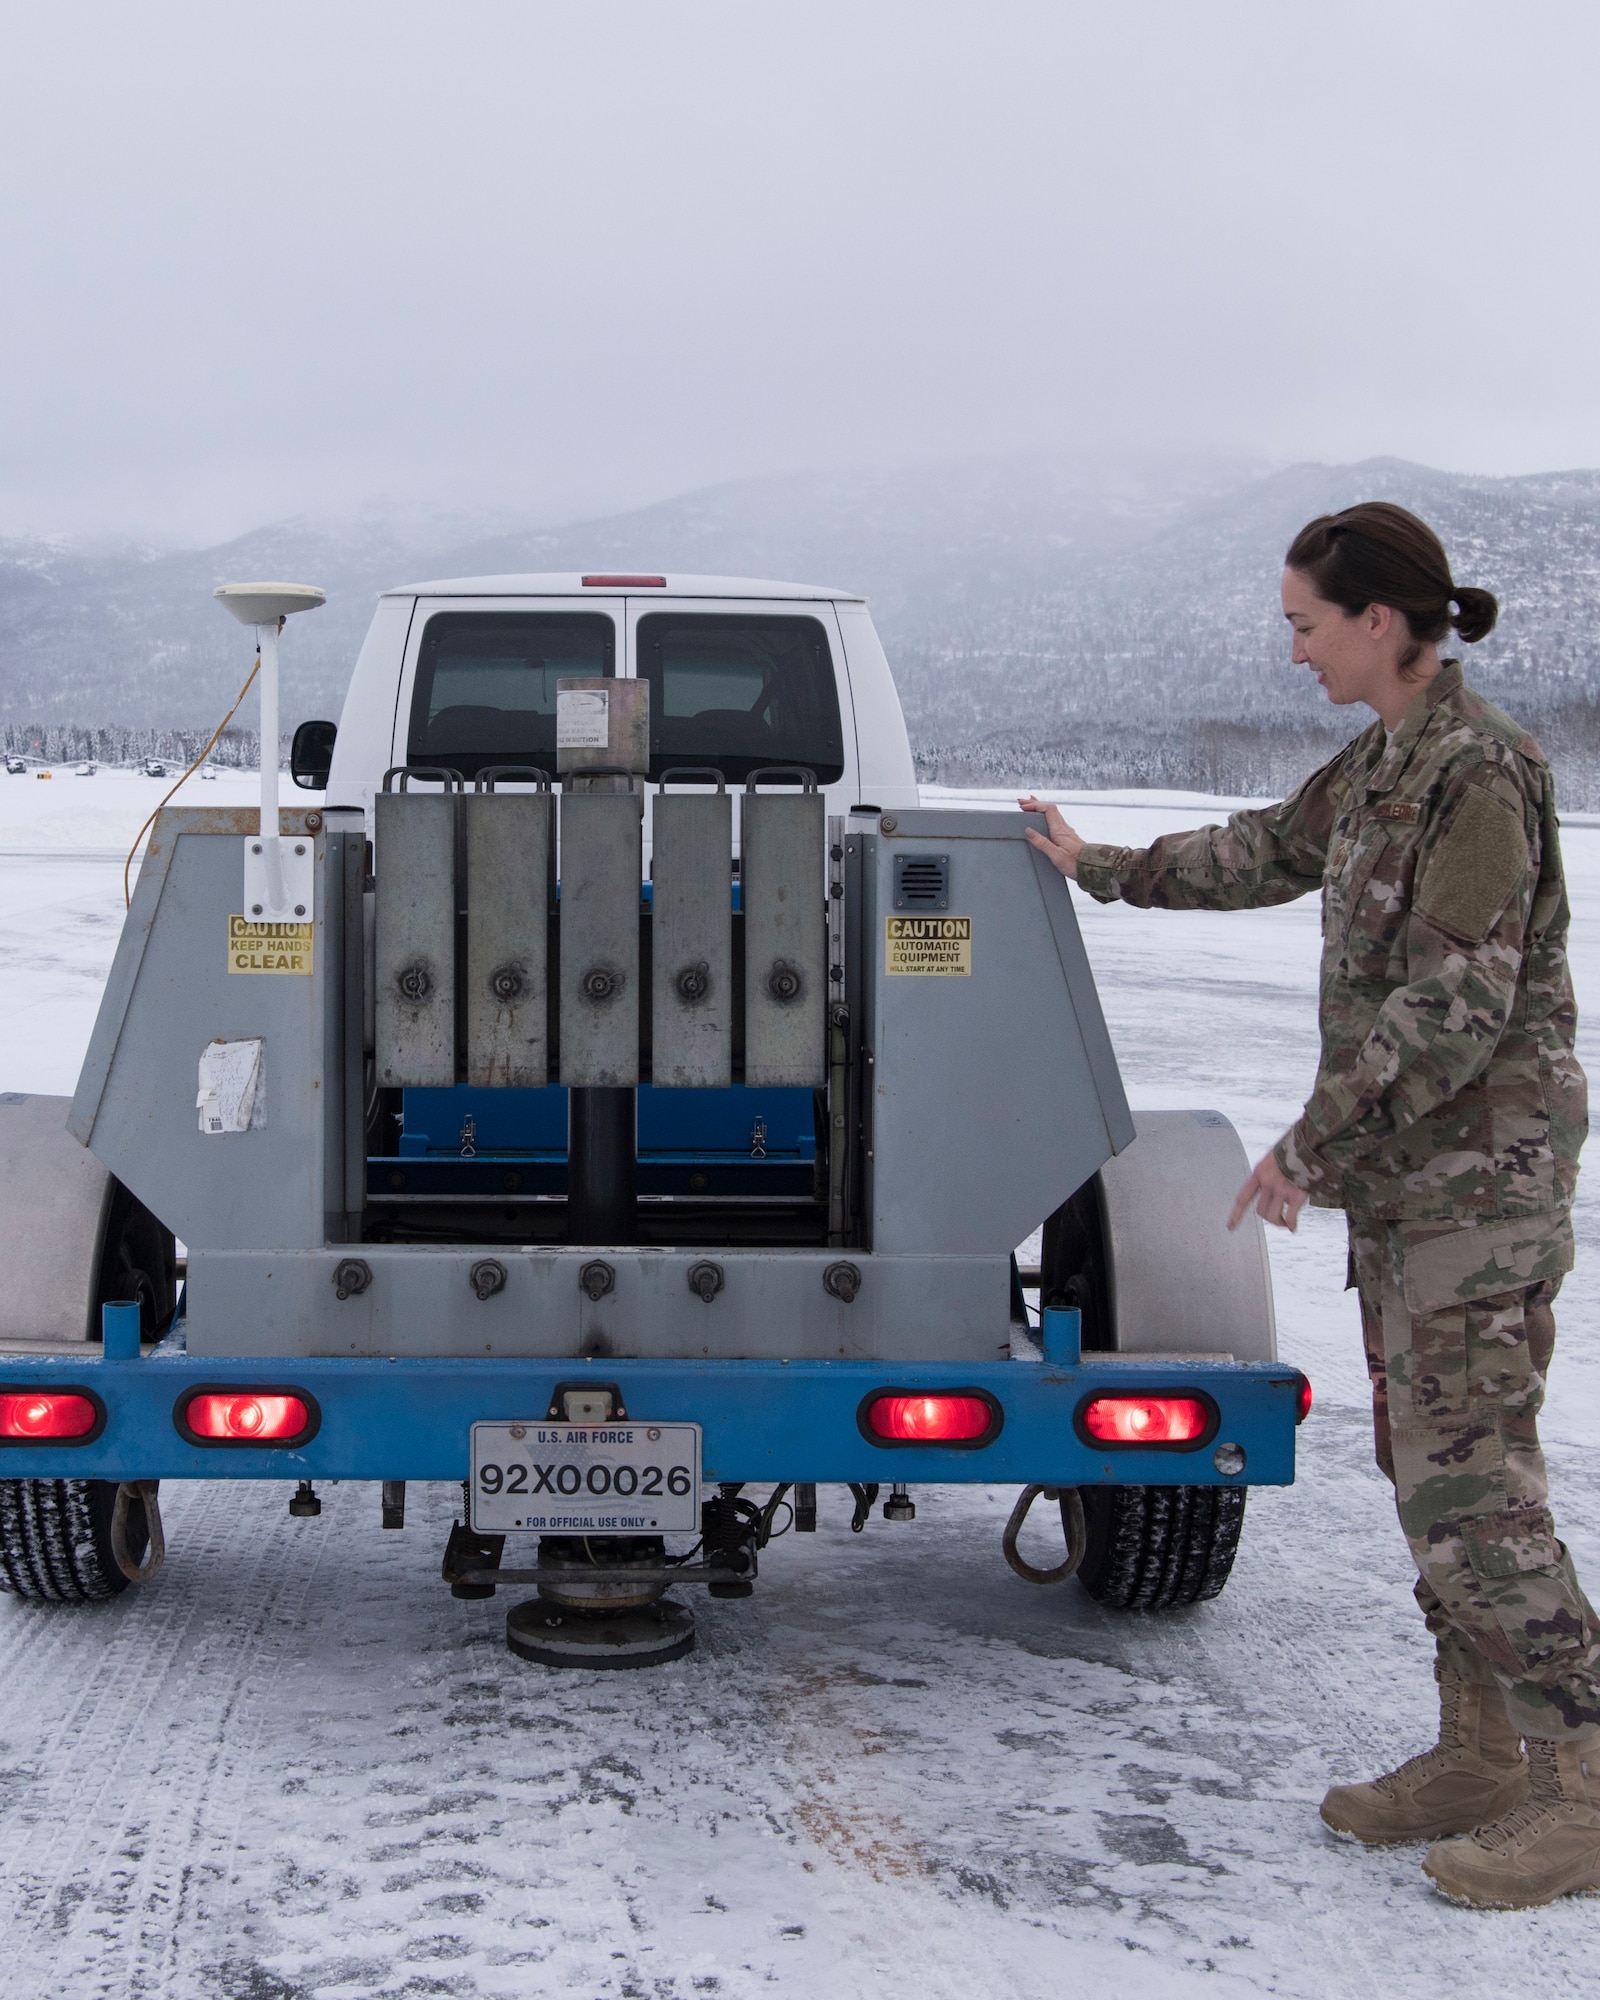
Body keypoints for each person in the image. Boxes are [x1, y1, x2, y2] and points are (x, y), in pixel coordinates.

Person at [1021, 501, 1600, 1910]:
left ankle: (1584, 1785)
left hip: (1478, 1192)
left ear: (1381, 624)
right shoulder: (1390, 760)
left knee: (1480, 1501)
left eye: (1304, 624)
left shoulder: (1483, 776)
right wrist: (1095, 866)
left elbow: (1455, 1003)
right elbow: (1264, 851)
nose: (1294, 653)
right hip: (1416, 1191)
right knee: (1431, 1480)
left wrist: (1309, 1149)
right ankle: (1483, 1753)